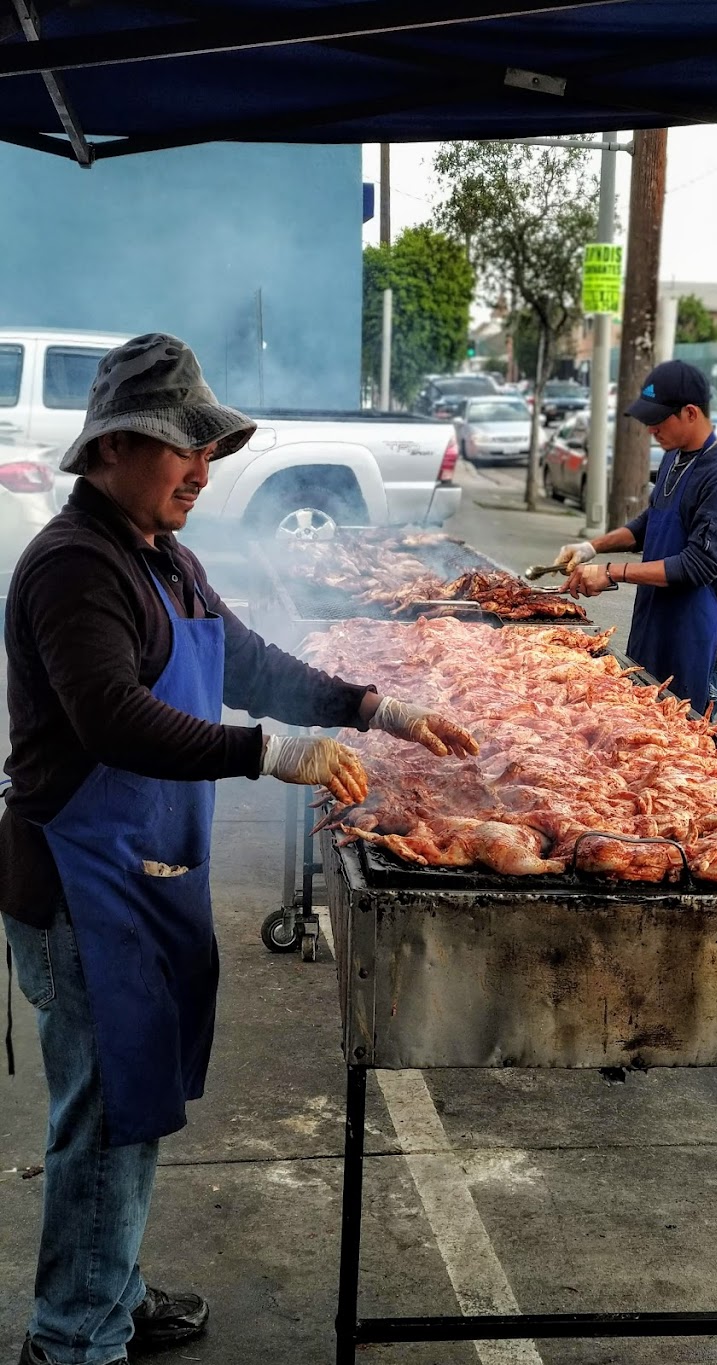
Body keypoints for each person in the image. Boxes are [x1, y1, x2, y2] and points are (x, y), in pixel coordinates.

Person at [0, 334, 478, 1365]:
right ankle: (70, 1335)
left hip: (141, 874)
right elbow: (114, 722)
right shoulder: (75, 567)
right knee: (101, 1121)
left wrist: (370, 707)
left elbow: (246, 660)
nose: (203, 473)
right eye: (186, 450)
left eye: (209, 452)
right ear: (118, 446)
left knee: (133, 1106)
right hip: (82, 887)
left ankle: (108, 1293)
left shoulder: (160, 552)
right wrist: (269, 751)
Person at [555, 360, 717, 716]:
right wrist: (591, 547)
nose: (651, 431)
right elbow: (650, 523)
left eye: (659, 421)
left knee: (678, 757)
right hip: (651, 631)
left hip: (691, 641)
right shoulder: (674, 458)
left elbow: (698, 565)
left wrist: (612, 572)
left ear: (690, 413)